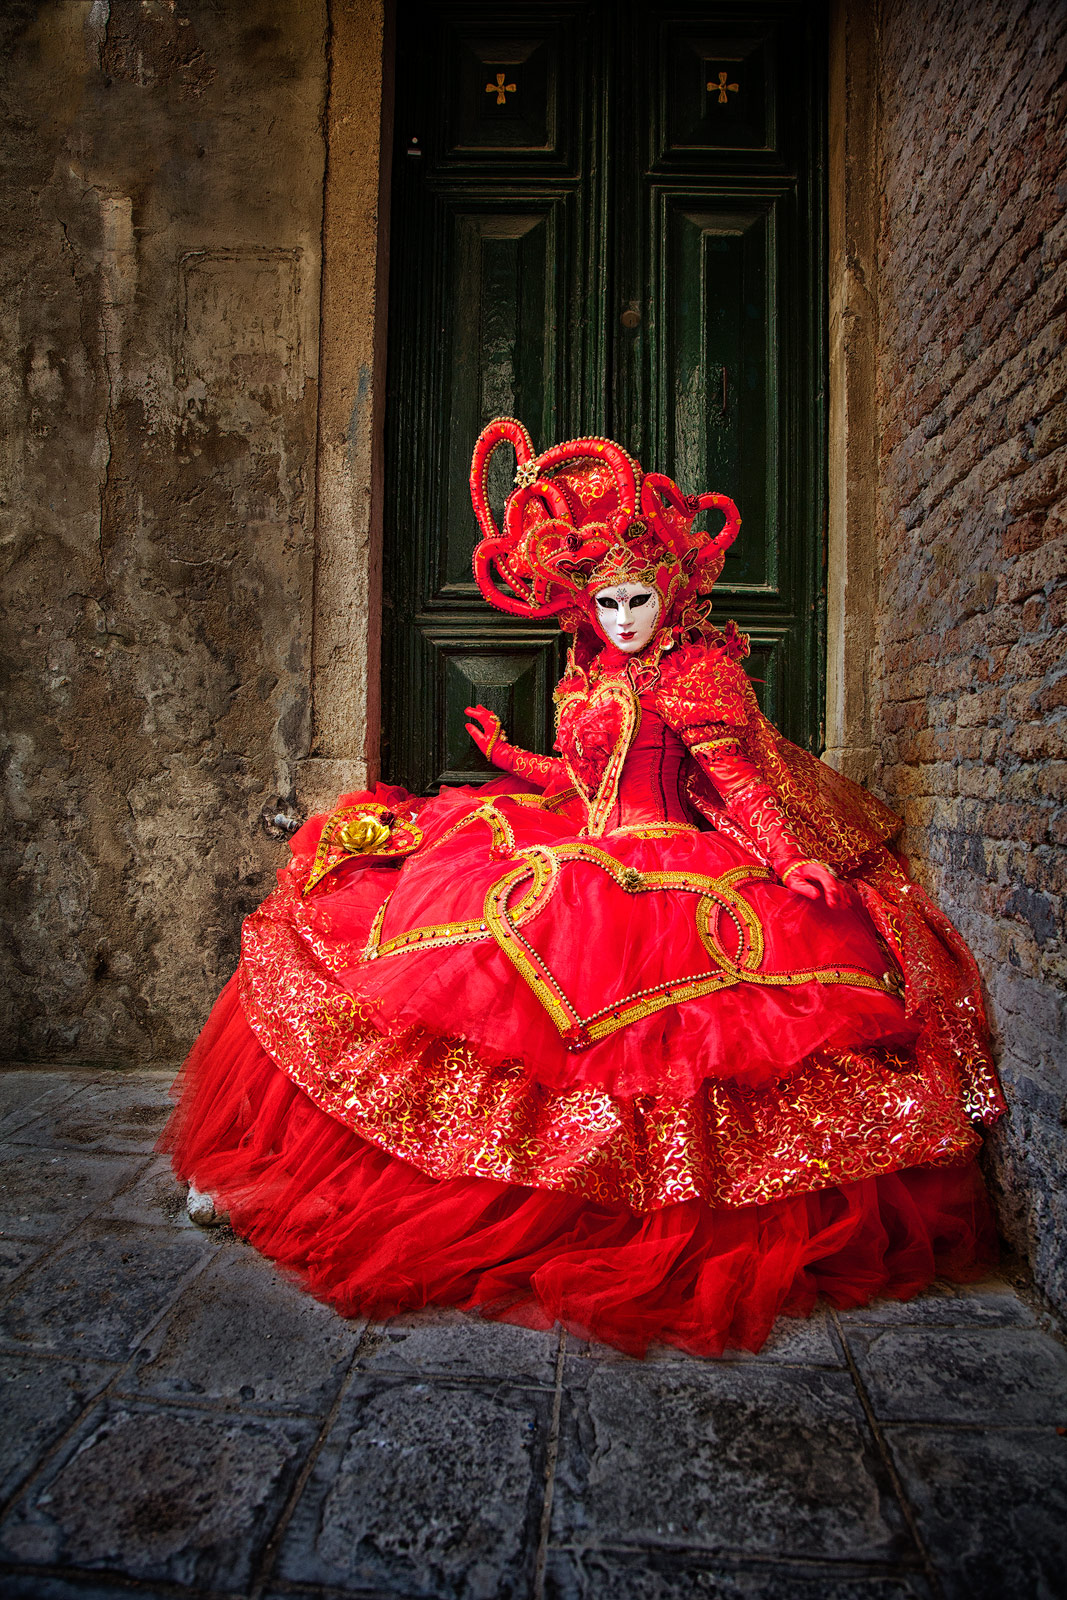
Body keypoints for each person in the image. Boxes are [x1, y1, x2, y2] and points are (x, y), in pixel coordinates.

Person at [164, 417, 1005, 1357]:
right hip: (577, 848)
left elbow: (736, 786)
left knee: (656, 1048)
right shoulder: (584, 679)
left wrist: (787, 858)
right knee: (422, 960)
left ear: (671, 593)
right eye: (606, 605)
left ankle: (601, 1216)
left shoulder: (699, 679)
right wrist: (510, 756)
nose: (623, 622)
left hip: (672, 876)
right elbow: (578, 784)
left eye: (638, 601)